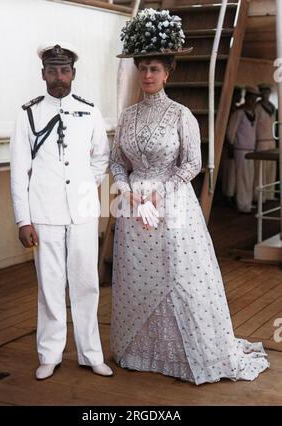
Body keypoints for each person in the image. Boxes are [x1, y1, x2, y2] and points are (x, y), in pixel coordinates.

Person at [110, 9, 269, 385]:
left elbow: (192, 164)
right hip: (133, 213)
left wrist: (158, 194)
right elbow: (117, 164)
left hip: (174, 206)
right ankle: (139, 351)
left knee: (179, 277)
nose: (148, 75)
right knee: (137, 280)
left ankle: (189, 354)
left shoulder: (181, 114)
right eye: (143, 68)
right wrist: (132, 194)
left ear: (168, 72)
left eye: (154, 69)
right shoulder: (127, 117)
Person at [10, 42, 113, 380]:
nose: (59, 77)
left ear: (73, 74)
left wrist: (86, 183)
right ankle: (50, 354)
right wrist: (23, 220)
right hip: (45, 212)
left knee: (86, 285)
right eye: (52, 70)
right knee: (50, 286)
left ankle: (91, 354)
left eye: (64, 70)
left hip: (83, 213)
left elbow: (101, 156)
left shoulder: (90, 110)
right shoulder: (28, 113)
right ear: (43, 74)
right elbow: (19, 171)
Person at [226, 86, 260, 213]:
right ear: (246, 98)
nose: (253, 101)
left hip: (251, 150)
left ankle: (248, 202)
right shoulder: (239, 113)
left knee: (250, 177)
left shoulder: (253, 113)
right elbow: (230, 133)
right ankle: (242, 204)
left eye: (255, 99)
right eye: (251, 98)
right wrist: (233, 146)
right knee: (242, 178)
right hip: (240, 150)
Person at [254, 83, 277, 202]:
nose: (265, 94)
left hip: (271, 140)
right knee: (260, 169)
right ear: (260, 93)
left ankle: (270, 195)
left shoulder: (273, 106)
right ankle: (259, 196)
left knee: (271, 168)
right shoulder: (257, 107)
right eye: (263, 91)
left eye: (267, 91)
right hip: (260, 141)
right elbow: (253, 126)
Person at [221, 86, 242, 205]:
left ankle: (231, 194)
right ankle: (227, 196)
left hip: (232, 143)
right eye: (238, 95)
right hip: (227, 143)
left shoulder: (236, 109)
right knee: (228, 171)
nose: (239, 97)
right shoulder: (227, 108)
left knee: (232, 171)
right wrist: (229, 145)